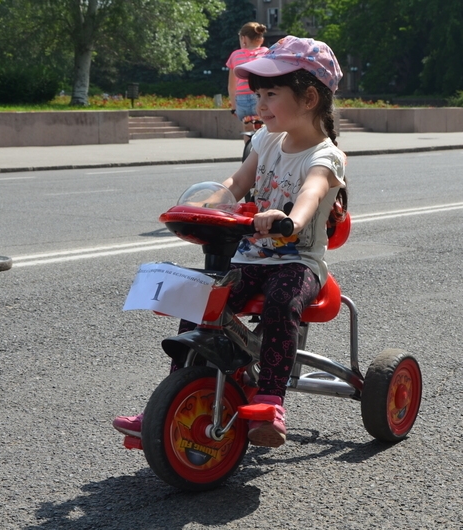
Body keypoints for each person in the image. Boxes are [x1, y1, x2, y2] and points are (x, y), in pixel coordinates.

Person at [114, 35, 346, 449]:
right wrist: (204, 205)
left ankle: (271, 401)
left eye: (271, 94)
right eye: (258, 94)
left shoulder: (325, 156)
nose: (259, 105)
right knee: (199, 300)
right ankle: (171, 402)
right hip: (251, 257)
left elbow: (311, 193)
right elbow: (236, 184)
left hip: (297, 263)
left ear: (309, 97)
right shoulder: (265, 140)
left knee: (281, 301)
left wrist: (289, 219)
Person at [227, 22, 268, 139]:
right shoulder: (266, 53)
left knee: (247, 129)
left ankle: (248, 153)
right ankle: (261, 153)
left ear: (243, 38)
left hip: (241, 100)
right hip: (260, 97)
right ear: (261, 38)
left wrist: (234, 107)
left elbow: (231, 86)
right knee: (262, 130)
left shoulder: (235, 55)